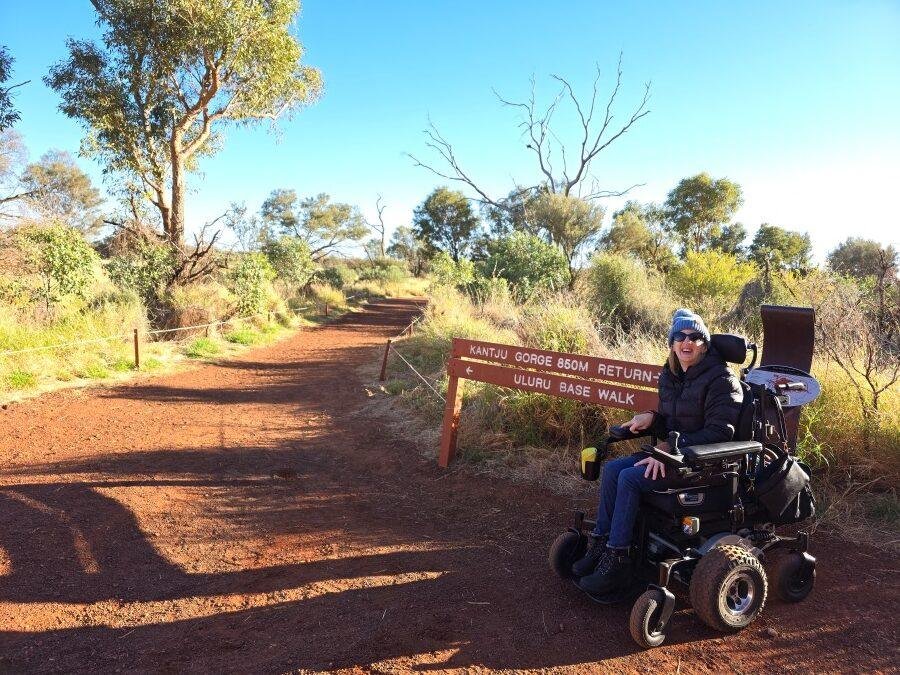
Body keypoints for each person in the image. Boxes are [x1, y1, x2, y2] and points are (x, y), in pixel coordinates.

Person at [573, 308, 743, 598]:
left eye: (694, 337)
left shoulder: (722, 380)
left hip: (703, 465)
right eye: (680, 336)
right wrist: (652, 418)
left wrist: (669, 448)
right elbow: (674, 421)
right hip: (675, 456)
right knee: (614, 470)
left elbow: (720, 433)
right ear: (672, 342)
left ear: (705, 343)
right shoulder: (674, 375)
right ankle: (601, 545)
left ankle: (618, 560)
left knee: (629, 478)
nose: (686, 342)